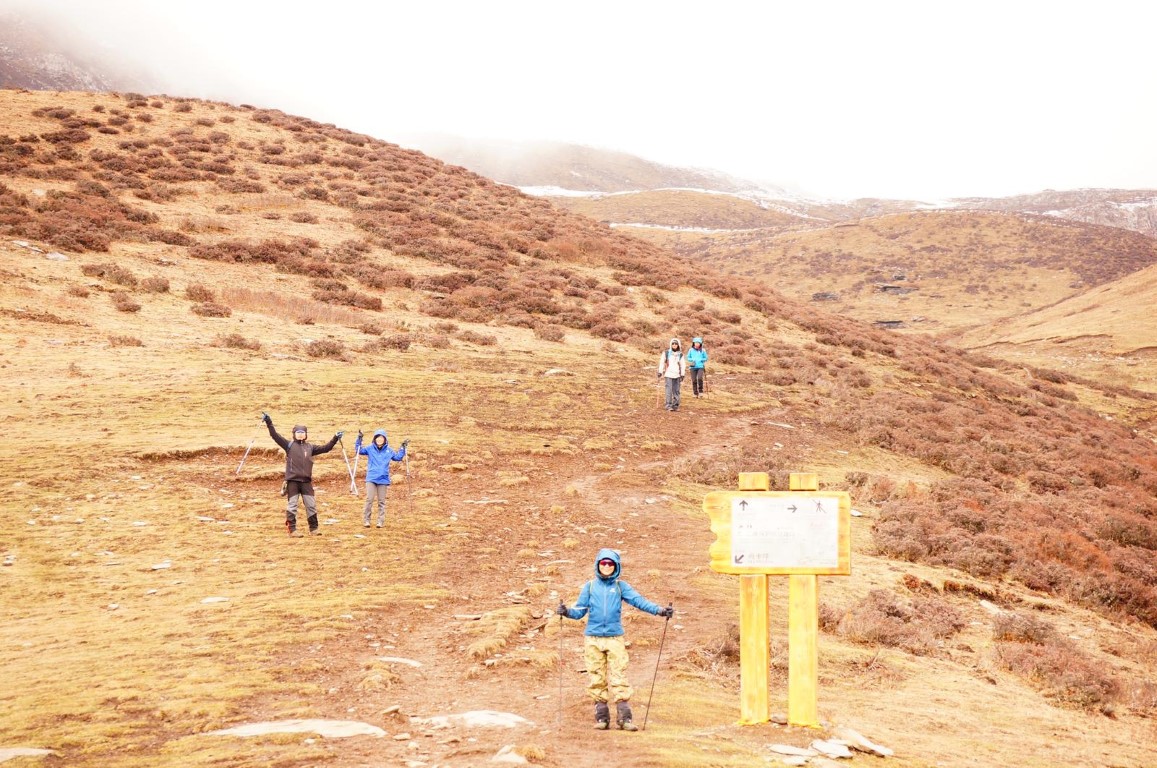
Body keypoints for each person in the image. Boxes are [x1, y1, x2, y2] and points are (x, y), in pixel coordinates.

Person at [557, 549, 674, 731]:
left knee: (619, 674)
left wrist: (659, 610)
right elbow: (579, 611)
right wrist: (566, 612)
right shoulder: (589, 587)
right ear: (598, 565)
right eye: (603, 563)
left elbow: (639, 601)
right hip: (593, 638)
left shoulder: (621, 587)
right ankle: (602, 718)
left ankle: (624, 719)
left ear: (616, 566)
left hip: (614, 638)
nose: (606, 567)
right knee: (596, 675)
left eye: (610, 564)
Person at [262, 412, 342, 537]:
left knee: (311, 505)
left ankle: (314, 529)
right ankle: (292, 530)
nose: (300, 434)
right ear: (294, 434)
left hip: (306, 482)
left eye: (302, 432)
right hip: (292, 481)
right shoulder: (288, 445)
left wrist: (335, 438)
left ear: (306, 434)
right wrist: (269, 422)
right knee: (292, 505)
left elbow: (326, 448)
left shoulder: (310, 447)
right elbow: (274, 435)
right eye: (298, 432)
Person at [354, 429, 409, 528]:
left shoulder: (389, 450)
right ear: (375, 439)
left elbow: (397, 458)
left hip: (383, 479)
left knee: (381, 501)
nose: (379, 440)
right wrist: (359, 438)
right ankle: (366, 520)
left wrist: (403, 448)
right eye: (378, 438)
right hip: (371, 478)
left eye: (381, 438)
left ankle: (380, 521)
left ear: (385, 439)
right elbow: (359, 450)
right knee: (369, 499)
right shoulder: (370, 449)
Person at [657, 337, 686, 412]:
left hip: (677, 375)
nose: (674, 345)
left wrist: (682, 374)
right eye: (673, 343)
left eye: (676, 344)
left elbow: (683, 365)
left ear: (678, 345)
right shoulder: (666, 353)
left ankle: (675, 406)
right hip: (668, 374)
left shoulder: (680, 355)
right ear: (671, 344)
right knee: (668, 391)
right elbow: (662, 362)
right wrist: (660, 371)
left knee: (676, 391)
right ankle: (668, 406)